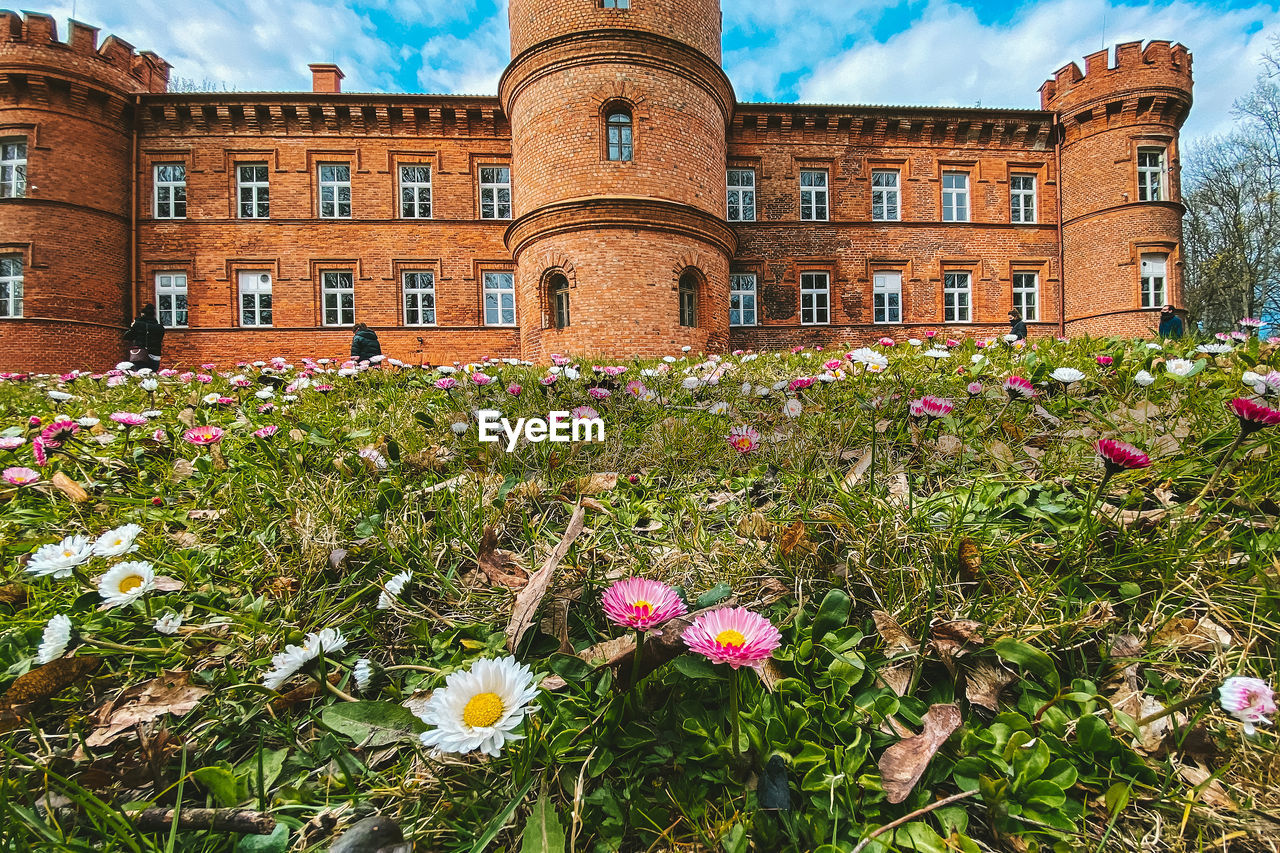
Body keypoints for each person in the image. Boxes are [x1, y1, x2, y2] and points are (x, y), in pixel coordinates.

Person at [123, 304, 164, 370]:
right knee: (152, 377)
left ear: (143, 314)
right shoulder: (160, 327)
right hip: (155, 355)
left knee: (140, 376)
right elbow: (160, 340)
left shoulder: (138, 324)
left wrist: (133, 326)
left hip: (140, 355)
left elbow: (127, 336)